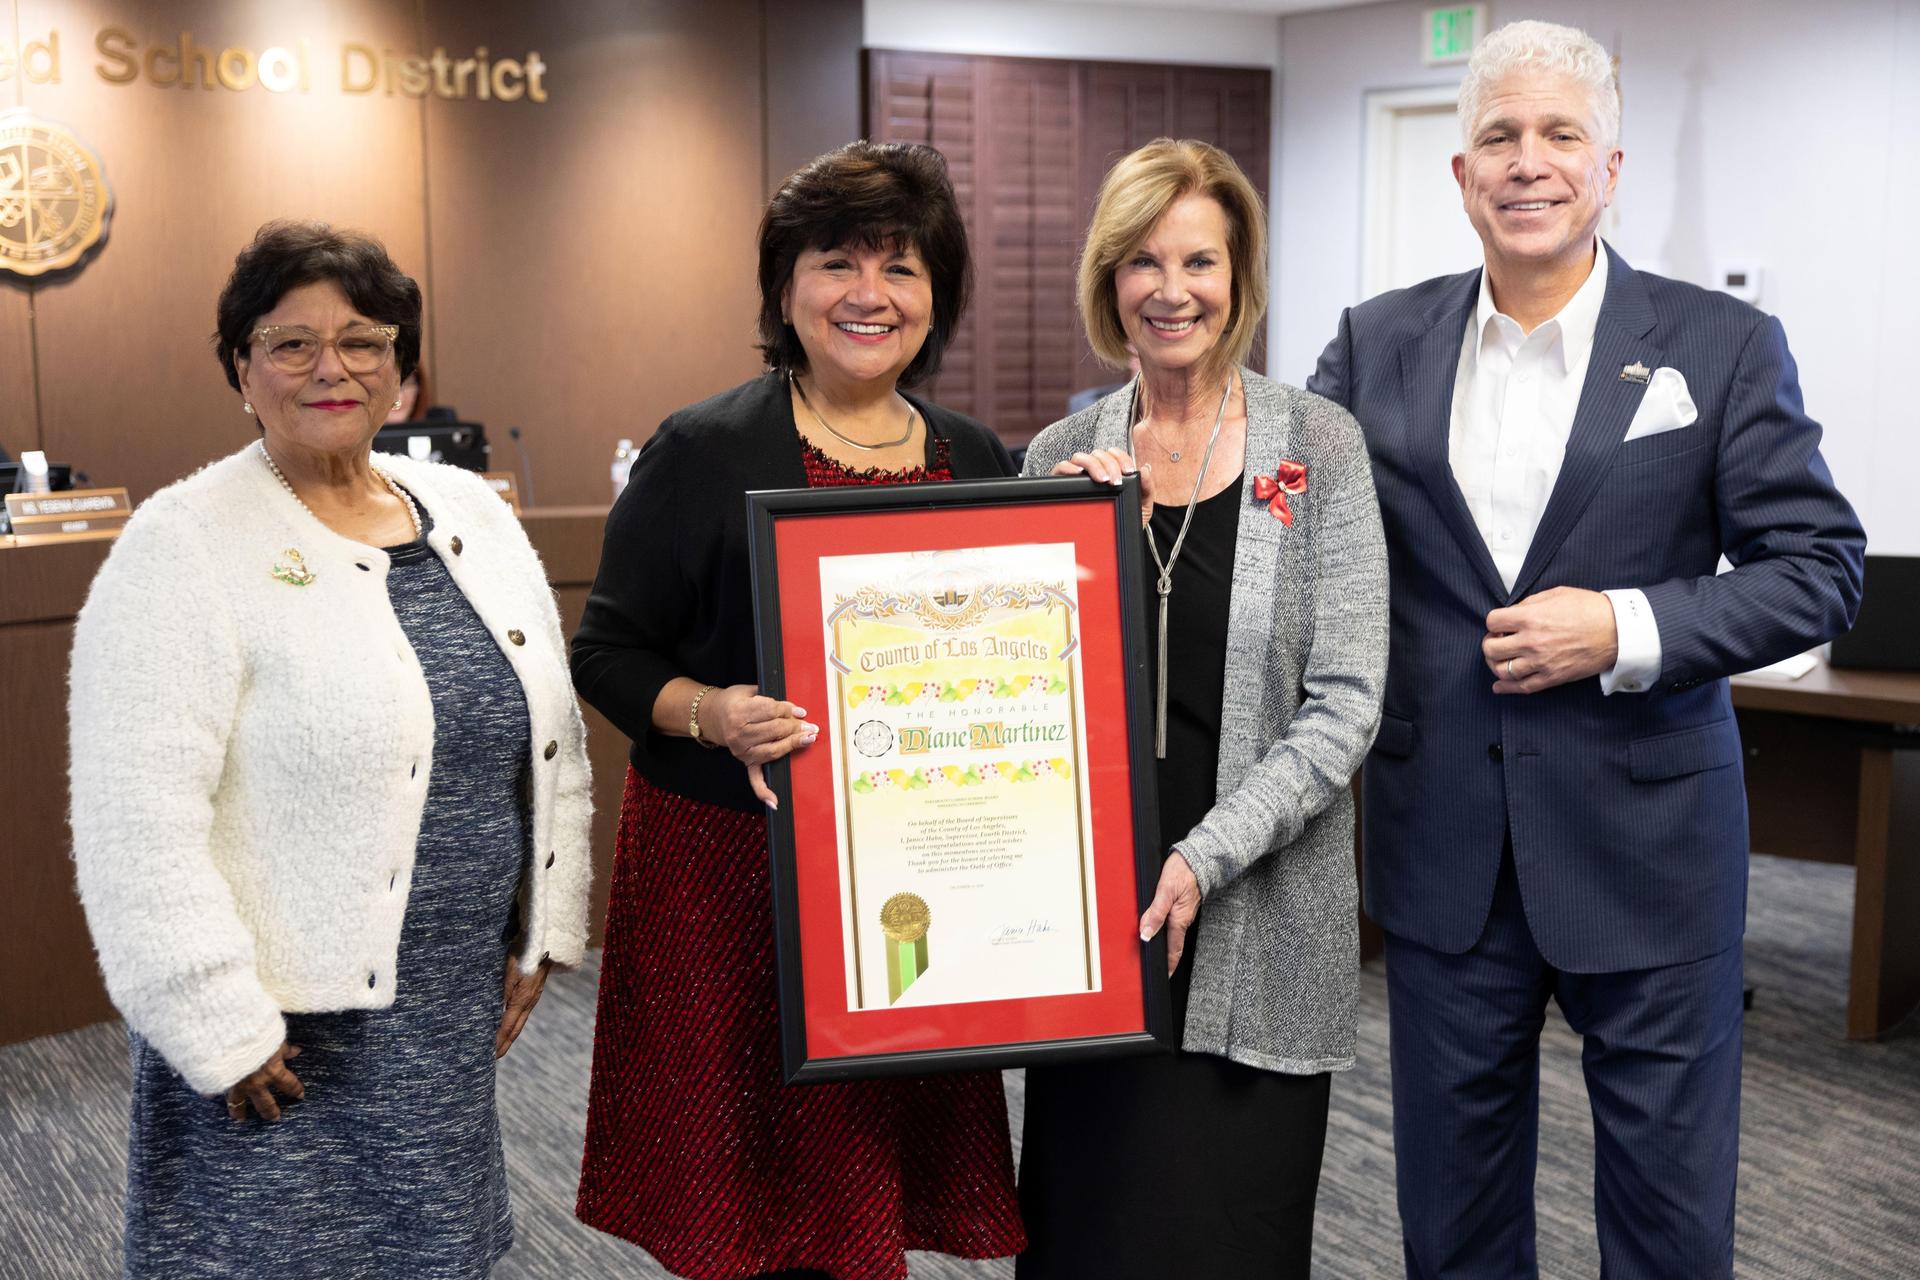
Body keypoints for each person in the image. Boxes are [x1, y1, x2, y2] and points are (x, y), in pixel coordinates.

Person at [1307, 21, 1865, 1276]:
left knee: (1671, 1229)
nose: (1529, 161)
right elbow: (1289, 524)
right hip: (1444, 852)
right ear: (1461, 173)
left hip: (1651, 851)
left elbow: (1819, 568)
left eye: (1561, 134)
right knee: (1452, 1228)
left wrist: (1625, 624)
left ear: (1609, 167)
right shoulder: (1375, 341)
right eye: (1499, 136)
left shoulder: (1721, 345)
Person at [66, 220, 593, 1279]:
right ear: (241, 367)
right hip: (281, 1025)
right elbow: (134, 822)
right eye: (290, 342)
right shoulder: (182, 544)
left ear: (403, 368)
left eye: (362, 341)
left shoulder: (468, 512)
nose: (331, 368)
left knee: (433, 1247)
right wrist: (214, 1020)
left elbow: (552, 741)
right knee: (277, 1254)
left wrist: (545, 924)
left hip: (445, 995)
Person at [569, 141, 1026, 1280]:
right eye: (837, 263)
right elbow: (607, 653)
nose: (870, 294)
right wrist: (712, 710)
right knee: (749, 1210)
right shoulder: (704, 447)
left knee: (866, 1186)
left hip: (908, 879)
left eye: (901, 267)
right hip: (733, 878)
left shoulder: (974, 454)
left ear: (937, 298)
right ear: (784, 290)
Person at [1017, 138, 1389, 1278]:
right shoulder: (1058, 456)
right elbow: (1020, 703)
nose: (1170, 289)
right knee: (1087, 1245)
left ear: (1240, 277)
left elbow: (1347, 701)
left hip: (1259, 932)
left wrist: (1203, 855)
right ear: (1108, 278)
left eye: (1199, 261)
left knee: (1230, 1247)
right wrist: (1062, 562)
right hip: (1097, 939)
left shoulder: (1319, 445)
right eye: (1142, 260)